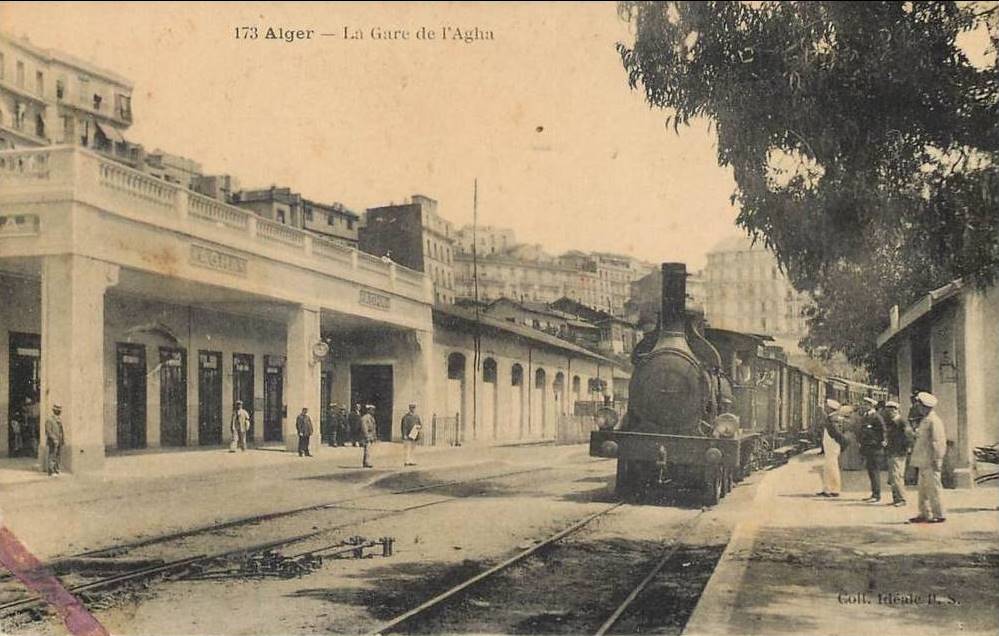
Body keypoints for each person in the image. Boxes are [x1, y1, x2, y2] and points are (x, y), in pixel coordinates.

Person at [908, 392, 947, 523]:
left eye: (919, 405)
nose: (917, 407)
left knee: (934, 488)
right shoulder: (925, 420)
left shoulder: (934, 421)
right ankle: (924, 513)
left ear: (925, 406)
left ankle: (939, 514)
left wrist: (937, 459)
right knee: (922, 490)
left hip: (931, 460)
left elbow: (938, 442)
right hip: (923, 460)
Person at [882, 400, 913, 507]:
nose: (890, 412)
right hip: (891, 451)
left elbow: (908, 437)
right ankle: (896, 498)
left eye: (892, 410)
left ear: (896, 410)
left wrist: (906, 449)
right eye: (888, 410)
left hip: (899, 453)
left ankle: (902, 499)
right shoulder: (891, 422)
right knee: (892, 477)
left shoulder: (902, 422)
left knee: (897, 476)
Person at [858, 401, 888, 502]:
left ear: (871, 406)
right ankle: (874, 493)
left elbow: (883, 431)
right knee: (871, 471)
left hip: (875, 448)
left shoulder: (876, 417)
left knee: (875, 471)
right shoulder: (866, 416)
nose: (863, 406)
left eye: (865, 404)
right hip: (868, 447)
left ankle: (876, 495)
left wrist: (881, 443)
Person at [817, 399, 847, 497]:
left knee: (831, 467)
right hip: (831, 445)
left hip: (832, 445)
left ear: (830, 408)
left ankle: (833, 489)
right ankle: (828, 488)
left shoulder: (832, 419)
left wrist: (842, 442)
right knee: (829, 467)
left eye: (826, 406)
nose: (825, 408)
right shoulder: (833, 417)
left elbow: (836, 433)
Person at [44, 403, 64, 476]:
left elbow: (61, 431)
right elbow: (48, 431)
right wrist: (54, 439)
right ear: (54, 410)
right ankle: (51, 471)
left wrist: (62, 440)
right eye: (57, 410)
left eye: (60, 410)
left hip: (59, 440)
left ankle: (57, 469)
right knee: (52, 455)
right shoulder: (49, 420)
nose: (59, 411)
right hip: (53, 441)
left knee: (58, 455)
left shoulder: (59, 420)